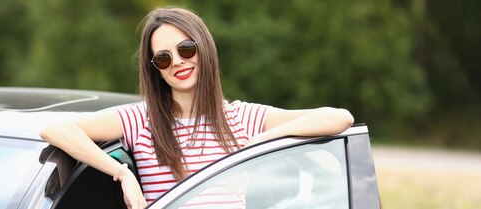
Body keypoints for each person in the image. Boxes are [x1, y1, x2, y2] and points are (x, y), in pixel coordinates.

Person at [40, 6, 354, 209]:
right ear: (156, 70)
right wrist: (123, 174)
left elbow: (340, 118)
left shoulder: (242, 117)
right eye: (163, 57)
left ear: (203, 48)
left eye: (186, 48)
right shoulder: (140, 120)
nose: (177, 61)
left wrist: (257, 143)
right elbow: (54, 129)